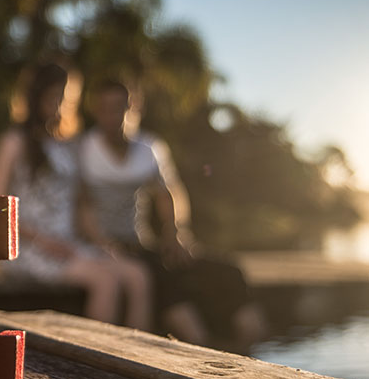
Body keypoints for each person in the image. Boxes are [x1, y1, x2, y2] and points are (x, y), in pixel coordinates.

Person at [78, 79, 266, 349]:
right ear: (97, 111)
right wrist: (102, 243)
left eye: (119, 108)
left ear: (134, 108)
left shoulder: (149, 148)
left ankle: (249, 348)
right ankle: (201, 349)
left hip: (140, 243)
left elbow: (170, 193)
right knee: (159, 276)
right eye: (106, 109)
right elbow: (80, 205)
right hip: (101, 247)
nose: (113, 116)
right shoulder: (85, 149)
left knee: (229, 270)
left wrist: (175, 232)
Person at [0, 64, 152, 331]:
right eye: (56, 95)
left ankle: (140, 359)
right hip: (29, 248)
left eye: (68, 97)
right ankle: (98, 363)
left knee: (137, 275)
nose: (62, 104)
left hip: (68, 245)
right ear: (36, 96)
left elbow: (79, 206)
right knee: (106, 282)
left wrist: (102, 243)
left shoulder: (67, 144)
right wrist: (42, 240)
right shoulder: (15, 141)